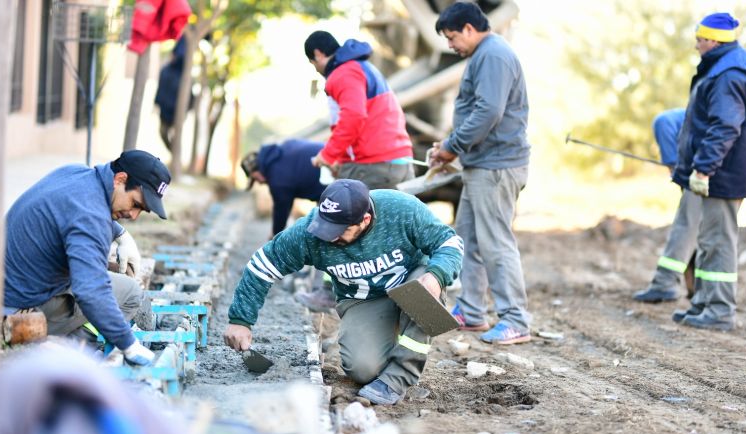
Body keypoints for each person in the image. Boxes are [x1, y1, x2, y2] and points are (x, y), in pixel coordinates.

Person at [223, 179, 463, 405]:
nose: (329, 236)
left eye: (339, 230)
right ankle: (388, 335)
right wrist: (241, 320)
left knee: (422, 294)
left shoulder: (402, 210)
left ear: (365, 220)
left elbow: (449, 243)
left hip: (410, 283)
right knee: (362, 369)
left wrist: (436, 275)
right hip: (363, 299)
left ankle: (398, 377)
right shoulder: (310, 232)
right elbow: (261, 266)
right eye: (326, 226)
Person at [3, 150, 172, 365]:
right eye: (136, 204)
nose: (134, 215)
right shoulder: (92, 218)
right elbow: (92, 291)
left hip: (3, 290)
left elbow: (76, 210)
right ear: (121, 179)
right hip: (17, 313)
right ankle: (76, 355)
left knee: (105, 283)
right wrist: (128, 343)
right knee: (130, 293)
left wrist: (121, 234)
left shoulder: (76, 174)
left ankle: (67, 341)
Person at [429, 2, 531, 344]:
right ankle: (472, 311)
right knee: (468, 239)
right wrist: (449, 147)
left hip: (497, 167)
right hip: (481, 165)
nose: (450, 45)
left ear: (470, 29)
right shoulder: (484, 55)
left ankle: (515, 318)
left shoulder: (494, 55)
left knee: (496, 243)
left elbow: (489, 111)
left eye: (452, 36)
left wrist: (452, 146)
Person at [667, 13, 746, 330]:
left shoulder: (728, 76)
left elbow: (724, 127)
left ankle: (720, 310)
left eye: (700, 39)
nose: (696, 45)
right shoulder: (722, 69)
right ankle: (705, 303)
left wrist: (704, 169)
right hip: (720, 173)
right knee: (708, 239)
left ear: (715, 41)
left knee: (719, 241)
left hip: (724, 174)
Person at [303, 31, 415, 189]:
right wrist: (340, 159)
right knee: (403, 214)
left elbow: (353, 116)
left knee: (349, 211)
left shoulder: (343, 73)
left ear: (318, 54)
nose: (315, 69)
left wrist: (328, 155)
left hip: (373, 166)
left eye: (312, 62)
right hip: (401, 160)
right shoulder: (363, 67)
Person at [633, 109, 700, 303]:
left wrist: (674, 166)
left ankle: (665, 284)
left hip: (703, 171)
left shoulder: (667, 122)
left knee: (687, 226)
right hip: (722, 171)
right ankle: (697, 289)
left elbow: (663, 124)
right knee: (703, 230)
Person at [240, 139, 326, 237]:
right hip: (331, 157)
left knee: (323, 227)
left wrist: (274, 236)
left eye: (255, 178)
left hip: (330, 171)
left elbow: (281, 210)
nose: (259, 183)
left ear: (258, 171)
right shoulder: (279, 152)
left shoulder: (277, 178)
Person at [154, 38, 191, 151]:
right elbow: (160, 88)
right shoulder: (166, 70)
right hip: (165, 110)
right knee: (163, 132)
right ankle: (173, 152)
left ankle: (175, 154)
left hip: (177, 111)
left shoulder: (185, 75)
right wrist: (157, 103)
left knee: (175, 135)